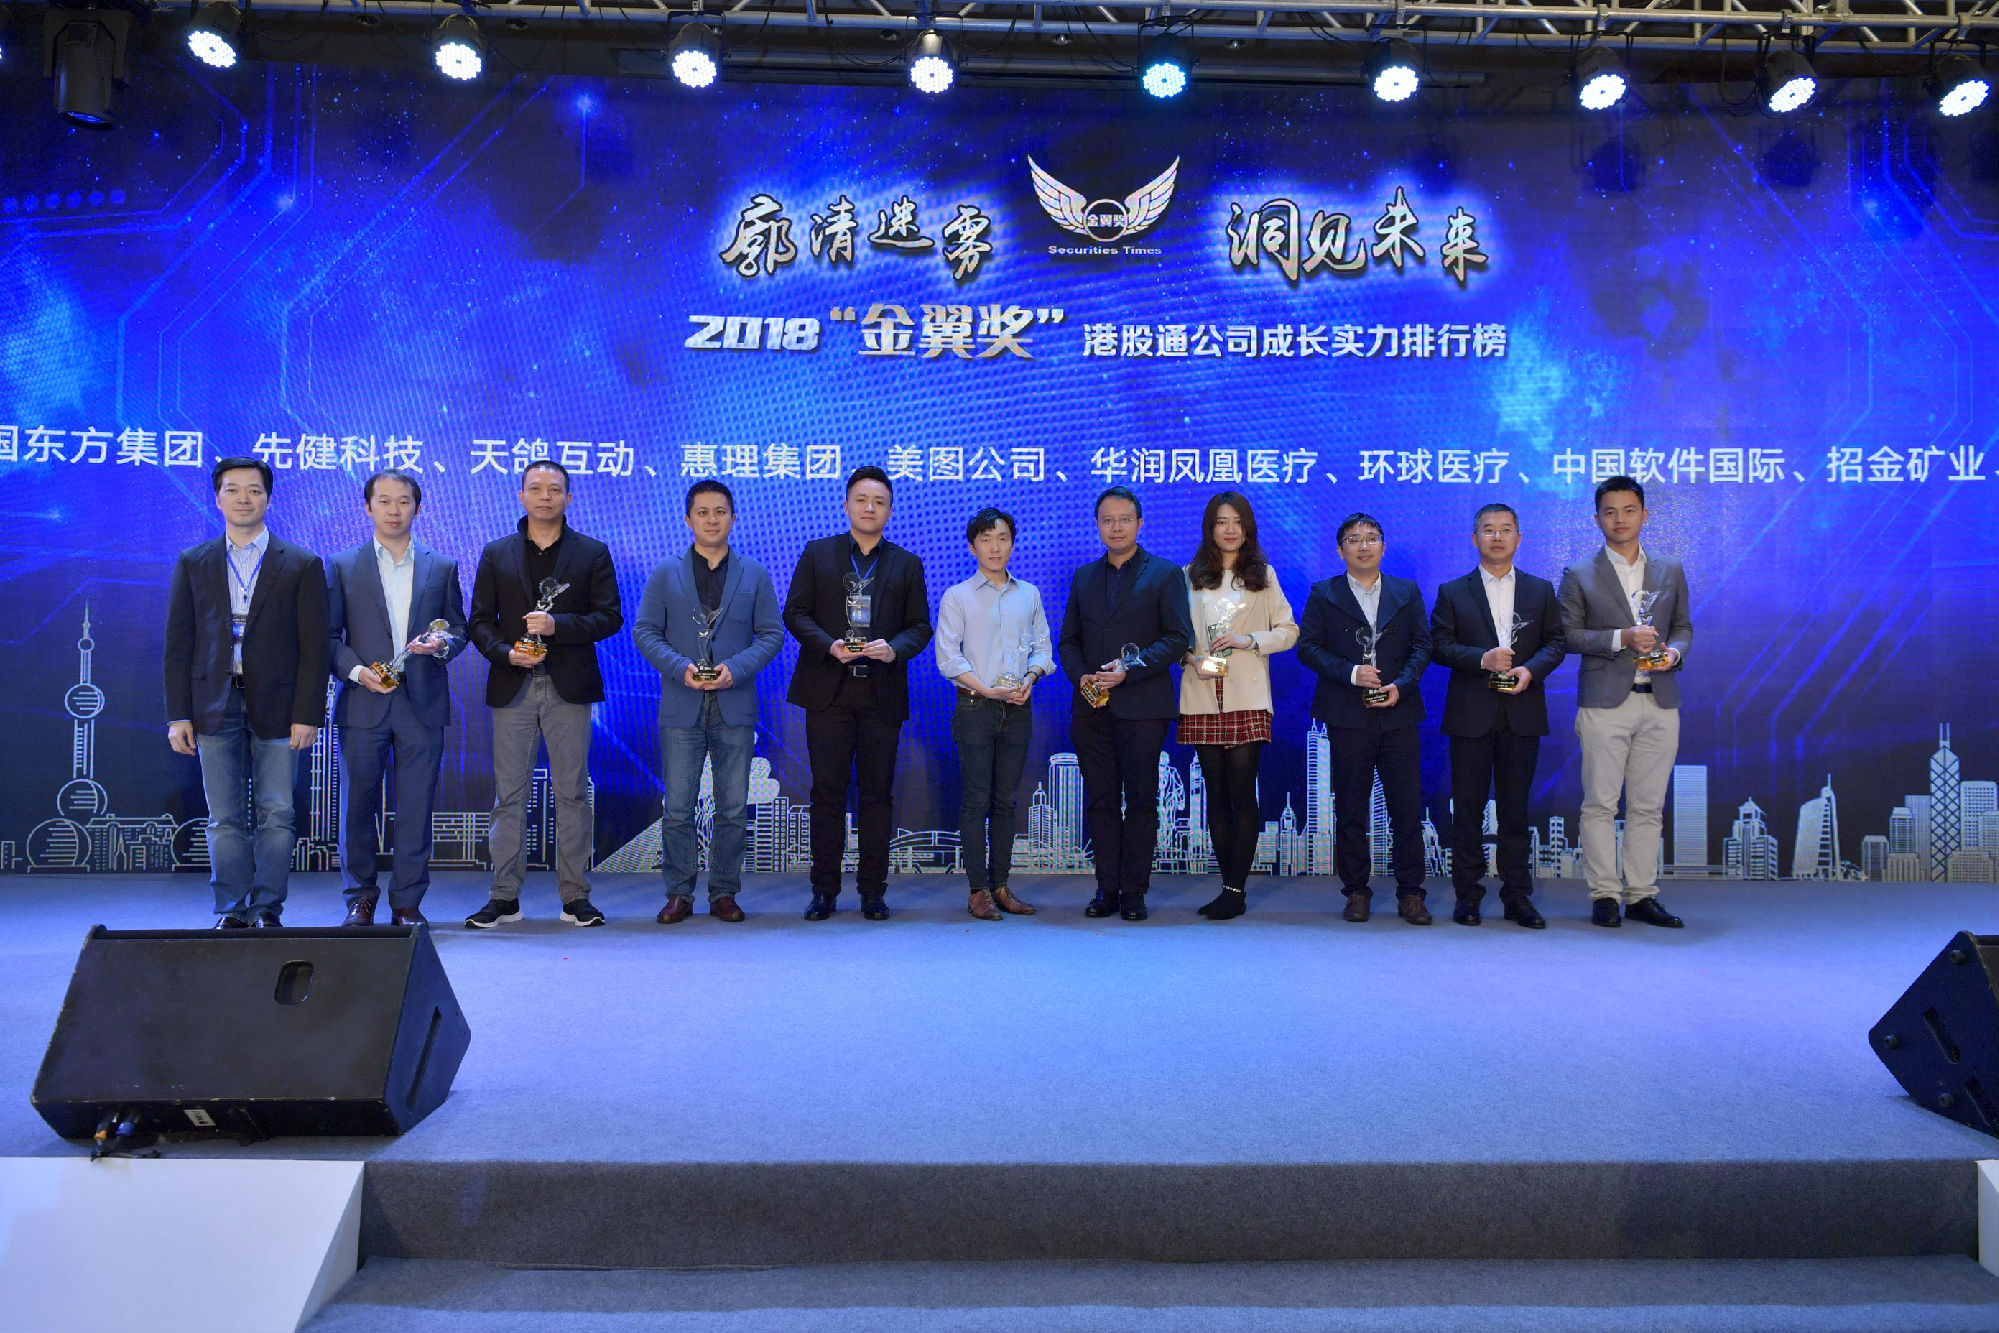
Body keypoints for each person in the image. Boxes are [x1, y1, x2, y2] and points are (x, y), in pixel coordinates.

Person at [164, 456, 328, 928]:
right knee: (224, 818)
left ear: (268, 499)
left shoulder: (301, 563)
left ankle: (266, 908)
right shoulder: (194, 561)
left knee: (277, 813)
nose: (243, 499)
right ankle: (231, 910)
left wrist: (307, 713)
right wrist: (178, 715)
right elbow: (178, 644)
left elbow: (314, 648)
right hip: (212, 704)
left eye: (254, 490)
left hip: (279, 706)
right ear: (217, 498)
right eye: (232, 490)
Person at [464, 459, 623, 928]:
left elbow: (610, 617)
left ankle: (575, 897)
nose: (545, 496)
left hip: (568, 686)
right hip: (512, 684)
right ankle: (504, 897)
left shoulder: (591, 552)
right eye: (536, 488)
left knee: (572, 793)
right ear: (521, 496)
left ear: (568, 498)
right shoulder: (496, 552)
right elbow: (479, 622)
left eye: (555, 489)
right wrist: (506, 653)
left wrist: (559, 626)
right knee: (508, 797)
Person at [783, 466, 933, 921]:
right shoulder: (818, 553)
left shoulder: (906, 563)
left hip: (880, 696)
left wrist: (895, 648)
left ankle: (872, 891)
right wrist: (829, 645)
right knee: (827, 793)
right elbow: (795, 613)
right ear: (846, 505)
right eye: (862, 500)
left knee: (877, 795)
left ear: (890, 510)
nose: (870, 508)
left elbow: (920, 627)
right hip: (828, 693)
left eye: (879, 502)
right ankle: (824, 890)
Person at [632, 479, 785, 924]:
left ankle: (724, 892)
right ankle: (679, 893)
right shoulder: (666, 572)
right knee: (678, 808)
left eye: (720, 512)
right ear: (688, 519)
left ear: (733, 518)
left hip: (735, 704)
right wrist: (678, 666)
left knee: (733, 807)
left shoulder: (754, 573)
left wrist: (736, 668)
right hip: (681, 703)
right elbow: (645, 631)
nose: (712, 520)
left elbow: (772, 634)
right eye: (702, 512)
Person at [326, 468, 468, 927]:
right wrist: (357, 672)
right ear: (367, 507)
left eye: (403, 501)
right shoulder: (341, 565)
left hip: (421, 703)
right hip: (362, 700)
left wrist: (441, 644)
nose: (394, 510)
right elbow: (328, 636)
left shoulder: (441, 566)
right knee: (357, 806)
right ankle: (359, 899)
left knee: (416, 808)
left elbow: (459, 628)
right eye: (384, 501)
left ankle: (407, 902)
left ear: (418, 508)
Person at [1559, 476, 1693, 929]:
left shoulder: (1670, 569)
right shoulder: (1578, 573)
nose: (1620, 519)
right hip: (1604, 702)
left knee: (1648, 806)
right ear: (1597, 519)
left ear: (1644, 515)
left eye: (1629, 510)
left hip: (1661, 699)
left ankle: (1641, 895)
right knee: (1600, 803)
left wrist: (1674, 654)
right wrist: (1622, 637)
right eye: (1610, 512)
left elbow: (1683, 627)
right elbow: (1568, 636)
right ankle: (1604, 894)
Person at [1057, 486, 1193, 923]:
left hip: (1143, 707)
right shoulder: (1084, 576)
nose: (1116, 527)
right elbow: (1068, 641)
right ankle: (1106, 888)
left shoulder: (1165, 573)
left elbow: (1178, 639)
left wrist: (1128, 670)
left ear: (1139, 523)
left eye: (1124, 519)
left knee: (1140, 801)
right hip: (1091, 709)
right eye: (1108, 520)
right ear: (1098, 525)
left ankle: (1134, 891)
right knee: (1099, 801)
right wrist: (1081, 676)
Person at [1428, 503, 1566, 929]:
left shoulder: (1540, 590)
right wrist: (1481, 659)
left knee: (1515, 811)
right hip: (1471, 714)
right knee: (1467, 810)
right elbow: (1438, 645)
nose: (1497, 537)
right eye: (1488, 530)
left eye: (1506, 529)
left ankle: (1517, 897)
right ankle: (1467, 897)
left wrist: (1531, 670)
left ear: (1518, 538)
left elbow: (1556, 642)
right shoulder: (1453, 591)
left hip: (1523, 712)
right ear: (1475, 539)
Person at [1296, 512, 1433, 925]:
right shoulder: (1324, 593)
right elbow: (1308, 648)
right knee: (1351, 808)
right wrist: (1352, 673)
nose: (1363, 545)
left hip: (1399, 711)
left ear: (1383, 547)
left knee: (1406, 809)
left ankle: (1412, 893)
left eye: (1371, 538)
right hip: (1347, 713)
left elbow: (1422, 646)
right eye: (1354, 539)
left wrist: (1401, 685)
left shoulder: (1406, 591)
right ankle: (1356, 891)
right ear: (1341, 550)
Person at [1178, 491, 1298, 920]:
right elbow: (1173, 635)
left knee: (1242, 791)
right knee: (1216, 794)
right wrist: (1190, 658)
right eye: (1221, 522)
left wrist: (1250, 640)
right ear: (1209, 528)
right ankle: (1227, 883)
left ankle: (1235, 888)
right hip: (1202, 693)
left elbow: (1289, 630)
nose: (1229, 530)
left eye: (1237, 522)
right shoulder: (1189, 575)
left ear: (1248, 528)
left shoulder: (1262, 574)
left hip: (1247, 694)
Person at [934, 507, 1056, 921]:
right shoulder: (957, 596)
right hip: (975, 707)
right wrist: (985, 689)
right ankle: (978, 890)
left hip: (1018, 707)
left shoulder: (1029, 594)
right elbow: (947, 657)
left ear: (1012, 543)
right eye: (985, 539)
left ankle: (1001, 885)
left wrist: (1032, 677)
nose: (995, 547)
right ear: (972, 547)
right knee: (976, 799)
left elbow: (1043, 646)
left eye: (1002, 538)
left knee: (1006, 800)